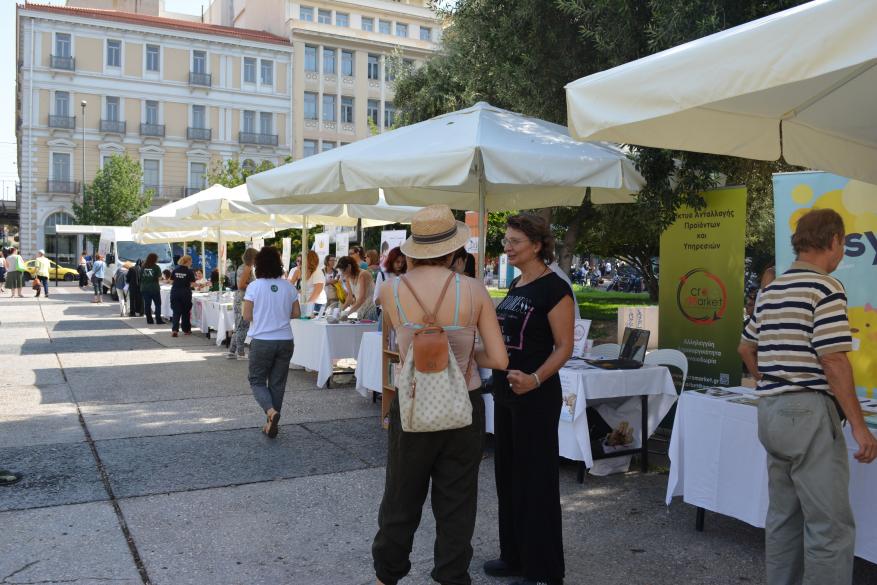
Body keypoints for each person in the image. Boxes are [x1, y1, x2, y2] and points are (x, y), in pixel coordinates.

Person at [738, 208, 877, 585]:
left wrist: (771, 379)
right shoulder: (825, 287)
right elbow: (833, 360)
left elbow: (745, 348)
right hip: (807, 413)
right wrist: (861, 429)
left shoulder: (770, 291)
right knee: (828, 529)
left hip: (770, 412)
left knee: (784, 520)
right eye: (843, 244)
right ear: (834, 241)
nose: (842, 253)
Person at [372, 204, 508, 585]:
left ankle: (388, 575)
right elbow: (498, 358)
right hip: (464, 404)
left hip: (413, 403)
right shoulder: (474, 291)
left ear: (415, 248)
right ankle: (451, 576)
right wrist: (460, 355)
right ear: (453, 251)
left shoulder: (391, 290)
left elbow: (403, 347)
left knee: (400, 496)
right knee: (457, 503)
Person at [486, 213, 575, 585]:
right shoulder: (517, 285)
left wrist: (536, 378)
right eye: (506, 240)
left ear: (537, 245)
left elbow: (565, 346)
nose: (507, 247)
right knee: (507, 477)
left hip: (536, 397)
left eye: (514, 241)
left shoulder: (555, 289)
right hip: (506, 393)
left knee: (535, 481)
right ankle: (515, 556)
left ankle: (543, 569)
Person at [244, 246, 301, 439]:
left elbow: (246, 315)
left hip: (262, 340)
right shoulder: (289, 286)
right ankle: (270, 422)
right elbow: (296, 313)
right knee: (277, 383)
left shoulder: (254, 286)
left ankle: (270, 412)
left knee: (257, 380)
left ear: (258, 265)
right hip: (285, 339)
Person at [227, 248, 257, 360]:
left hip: (240, 298)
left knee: (239, 326)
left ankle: (232, 351)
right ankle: (240, 353)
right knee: (243, 326)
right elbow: (241, 285)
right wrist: (255, 287)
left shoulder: (242, 267)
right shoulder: (248, 268)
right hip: (243, 299)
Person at [337, 255, 377, 320]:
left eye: (343, 271)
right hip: (360, 308)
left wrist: (347, 313)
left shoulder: (363, 275)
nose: (342, 273)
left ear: (349, 267)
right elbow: (350, 297)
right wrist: (340, 311)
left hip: (370, 308)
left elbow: (362, 298)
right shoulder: (347, 277)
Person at [170, 255, 196, 337]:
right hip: (185, 293)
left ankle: (175, 330)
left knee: (176, 312)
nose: (191, 262)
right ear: (187, 262)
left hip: (175, 292)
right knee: (185, 312)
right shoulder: (189, 271)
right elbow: (193, 284)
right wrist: (201, 285)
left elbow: (171, 281)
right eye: (190, 261)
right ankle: (186, 330)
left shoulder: (175, 270)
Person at [140, 253, 165, 325]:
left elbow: (140, 277)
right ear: (154, 259)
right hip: (154, 288)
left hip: (144, 288)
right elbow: (159, 278)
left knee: (147, 304)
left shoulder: (143, 267)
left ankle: (149, 320)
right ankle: (158, 319)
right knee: (158, 304)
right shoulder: (156, 267)